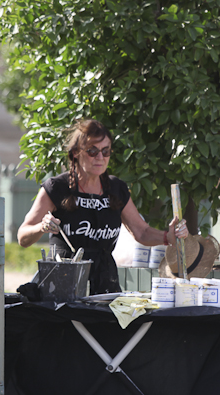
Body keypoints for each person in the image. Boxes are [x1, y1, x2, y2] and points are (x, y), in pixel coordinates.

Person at [18, 119, 189, 295]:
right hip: (63, 284)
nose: (100, 157)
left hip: (105, 284)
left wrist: (168, 236)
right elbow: (23, 237)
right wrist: (42, 227)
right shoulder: (57, 187)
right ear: (76, 152)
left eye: (105, 151)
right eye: (92, 151)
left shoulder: (116, 189)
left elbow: (142, 232)